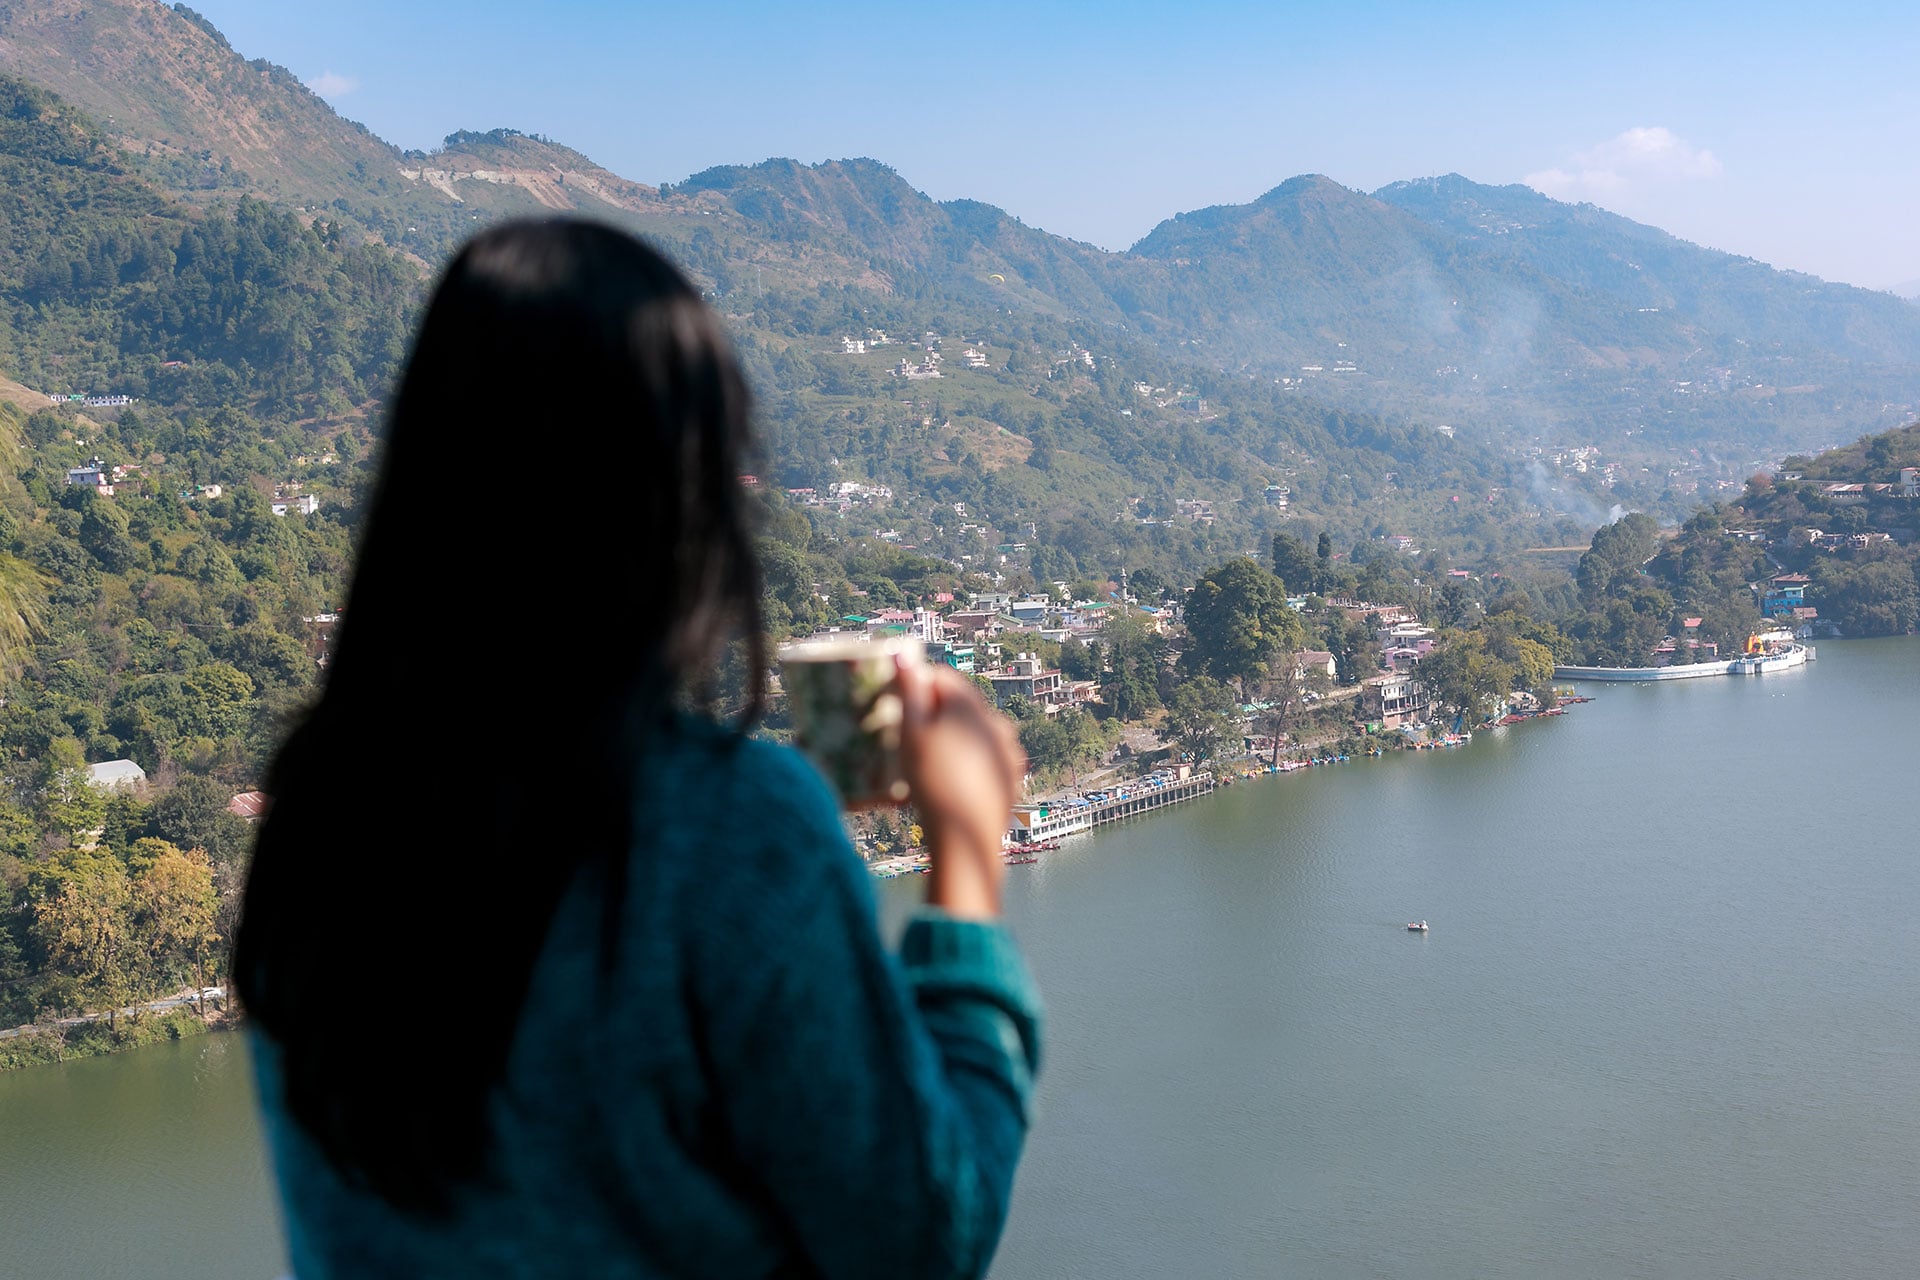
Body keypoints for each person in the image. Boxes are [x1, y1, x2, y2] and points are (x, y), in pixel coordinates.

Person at [233, 219, 1040, 1278]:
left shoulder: (317, 820)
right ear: (680, 505)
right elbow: (922, 1240)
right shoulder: (730, 828)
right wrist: (968, 848)